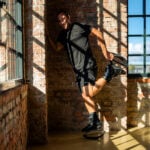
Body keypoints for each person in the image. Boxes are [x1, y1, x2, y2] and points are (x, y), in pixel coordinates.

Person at [48, 10, 123, 133]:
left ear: (68, 17)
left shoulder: (77, 27)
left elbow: (97, 32)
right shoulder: (63, 35)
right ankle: (94, 121)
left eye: (63, 18)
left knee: (88, 94)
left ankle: (109, 73)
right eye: (59, 20)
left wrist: (105, 51)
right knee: (85, 95)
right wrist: (47, 36)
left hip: (87, 65)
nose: (61, 21)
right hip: (78, 69)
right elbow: (57, 48)